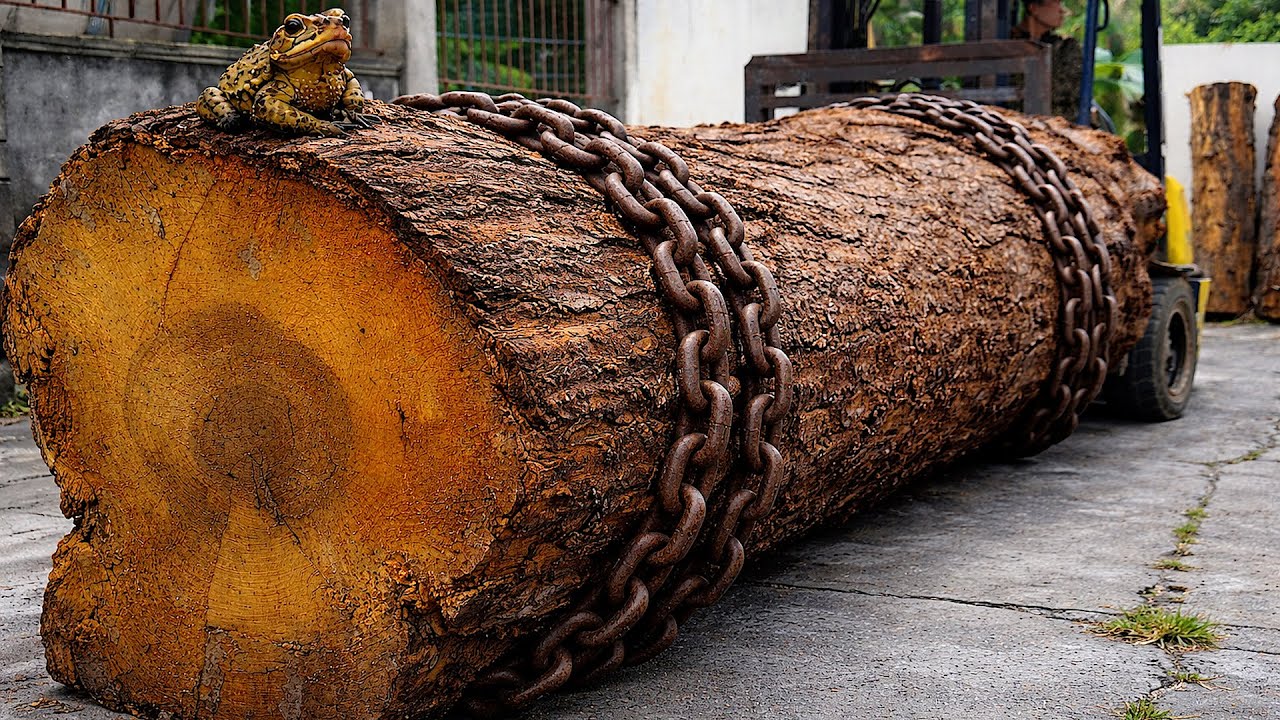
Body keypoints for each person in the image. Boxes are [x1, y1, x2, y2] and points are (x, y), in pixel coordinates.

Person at [1011, 0, 1084, 121]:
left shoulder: (1065, 47)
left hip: (1060, 122)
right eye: (1055, 3)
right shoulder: (1007, 45)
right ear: (1034, 8)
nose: (1062, 11)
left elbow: (1070, 92)